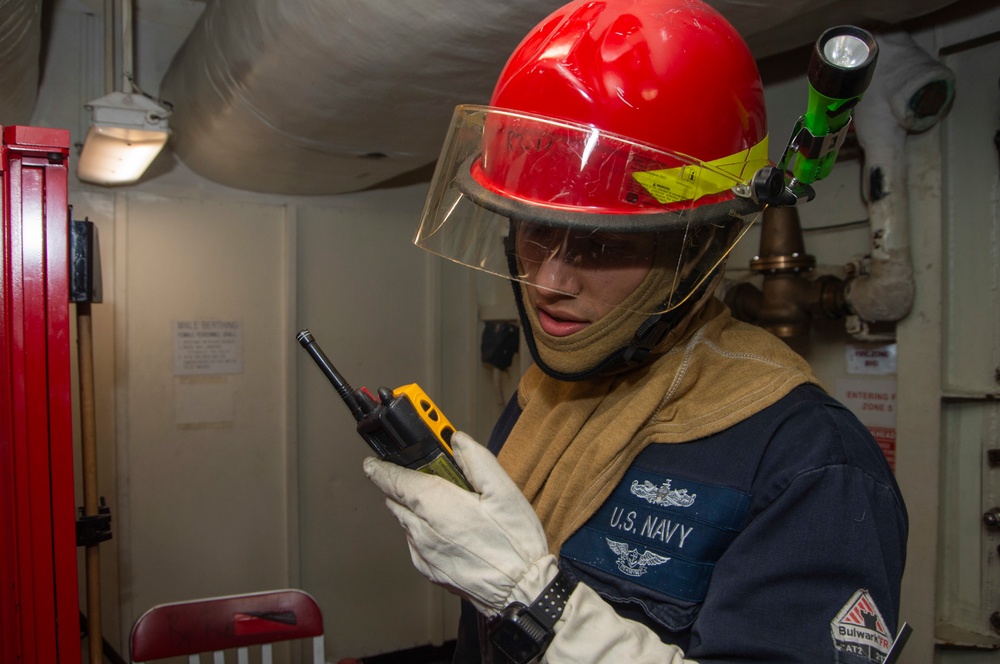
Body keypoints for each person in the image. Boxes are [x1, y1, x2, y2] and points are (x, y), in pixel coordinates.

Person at [363, 0, 908, 662]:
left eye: (601, 242)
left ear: (699, 246)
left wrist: (537, 605)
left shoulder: (813, 466)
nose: (552, 280)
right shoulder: (548, 398)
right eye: (535, 230)